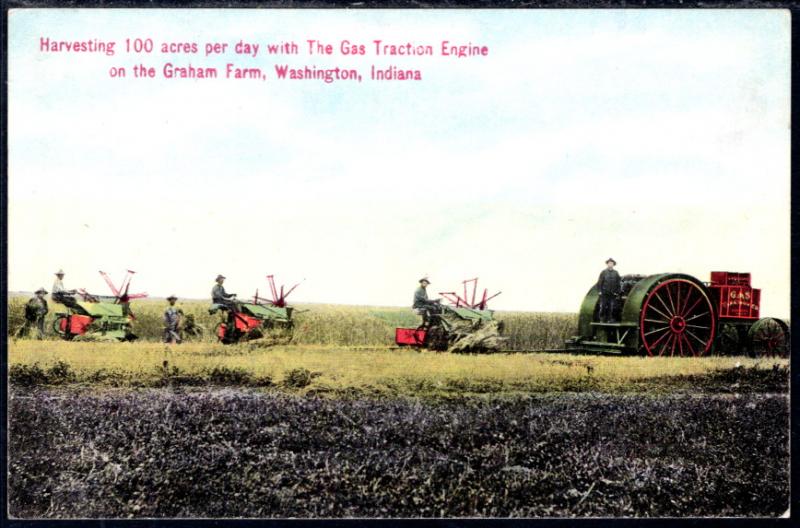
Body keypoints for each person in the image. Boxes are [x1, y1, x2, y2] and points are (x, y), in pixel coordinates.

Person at [597, 258, 622, 322]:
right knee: (603, 306)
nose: (610, 264)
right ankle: (602, 319)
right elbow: (600, 282)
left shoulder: (616, 273)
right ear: (607, 264)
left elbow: (618, 283)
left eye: (612, 263)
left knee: (611, 307)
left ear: (613, 264)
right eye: (609, 263)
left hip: (612, 293)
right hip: (605, 293)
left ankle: (609, 319)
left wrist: (617, 292)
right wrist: (600, 291)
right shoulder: (603, 272)